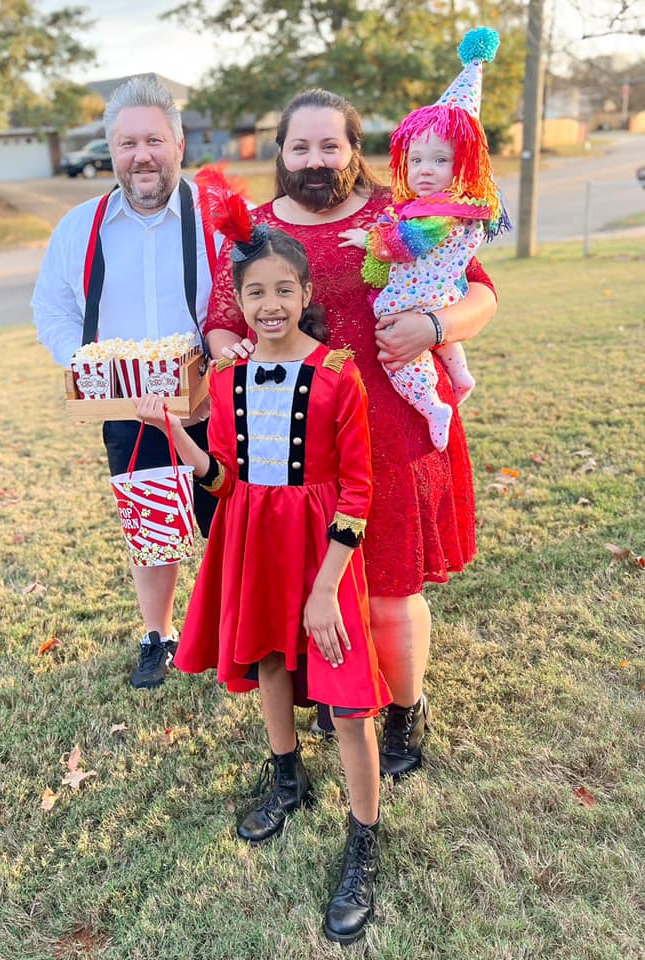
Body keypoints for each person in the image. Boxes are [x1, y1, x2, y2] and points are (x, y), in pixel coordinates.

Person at [205, 85, 497, 777]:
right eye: (300, 146)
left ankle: (405, 708)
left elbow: (479, 290)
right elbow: (222, 317)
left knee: (389, 589)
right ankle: (338, 690)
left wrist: (434, 327)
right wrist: (225, 345)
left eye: (329, 146)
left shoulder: (405, 210)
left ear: (354, 150)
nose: (315, 159)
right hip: (295, 446)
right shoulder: (254, 231)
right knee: (314, 585)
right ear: (280, 153)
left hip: (392, 429)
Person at [135, 186, 391, 944]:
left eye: (284, 290)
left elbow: (357, 490)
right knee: (272, 658)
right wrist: (177, 436)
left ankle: (364, 839)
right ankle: (287, 777)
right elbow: (223, 478)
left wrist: (326, 588)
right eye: (255, 293)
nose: (270, 305)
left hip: (323, 552)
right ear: (238, 302)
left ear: (306, 294)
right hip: (255, 540)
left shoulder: (339, 374)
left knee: (347, 697)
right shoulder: (225, 379)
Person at [32, 74, 221, 690]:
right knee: (151, 522)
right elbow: (52, 305)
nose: (142, 156)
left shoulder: (216, 216)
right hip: (127, 404)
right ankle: (158, 635)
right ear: (111, 150)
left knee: (235, 520)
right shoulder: (80, 226)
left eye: (154, 141)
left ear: (179, 144)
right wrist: (87, 362)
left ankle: (245, 627)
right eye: (127, 143)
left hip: (215, 400)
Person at [339, 27, 509, 452]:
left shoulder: (440, 213)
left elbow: (400, 245)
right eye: (416, 159)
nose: (425, 169)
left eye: (440, 159)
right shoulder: (464, 205)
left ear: (465, 164)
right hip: (442, 293)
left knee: (397, 352)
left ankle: (431, 404)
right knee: (441, 337)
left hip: (417, 298)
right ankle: (461, 374)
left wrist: (371, 240)